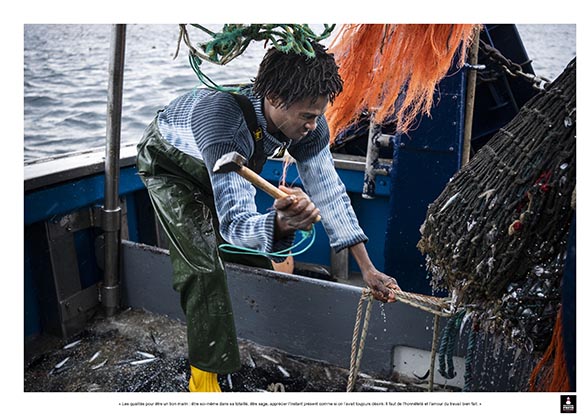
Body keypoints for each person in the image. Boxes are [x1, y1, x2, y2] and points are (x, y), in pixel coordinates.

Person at [136, 41, 400, 392]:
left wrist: (367, 269)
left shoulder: (311, 125)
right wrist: (279, 224)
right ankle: (204, 381)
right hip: (170, 165)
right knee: (202, 266)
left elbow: (330, 193)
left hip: (222, 167)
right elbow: (234, 223)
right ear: (274, 97)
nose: (313, 124)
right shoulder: (225, 123)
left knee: (260, 250)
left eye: (319, 114)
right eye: (307, 116)